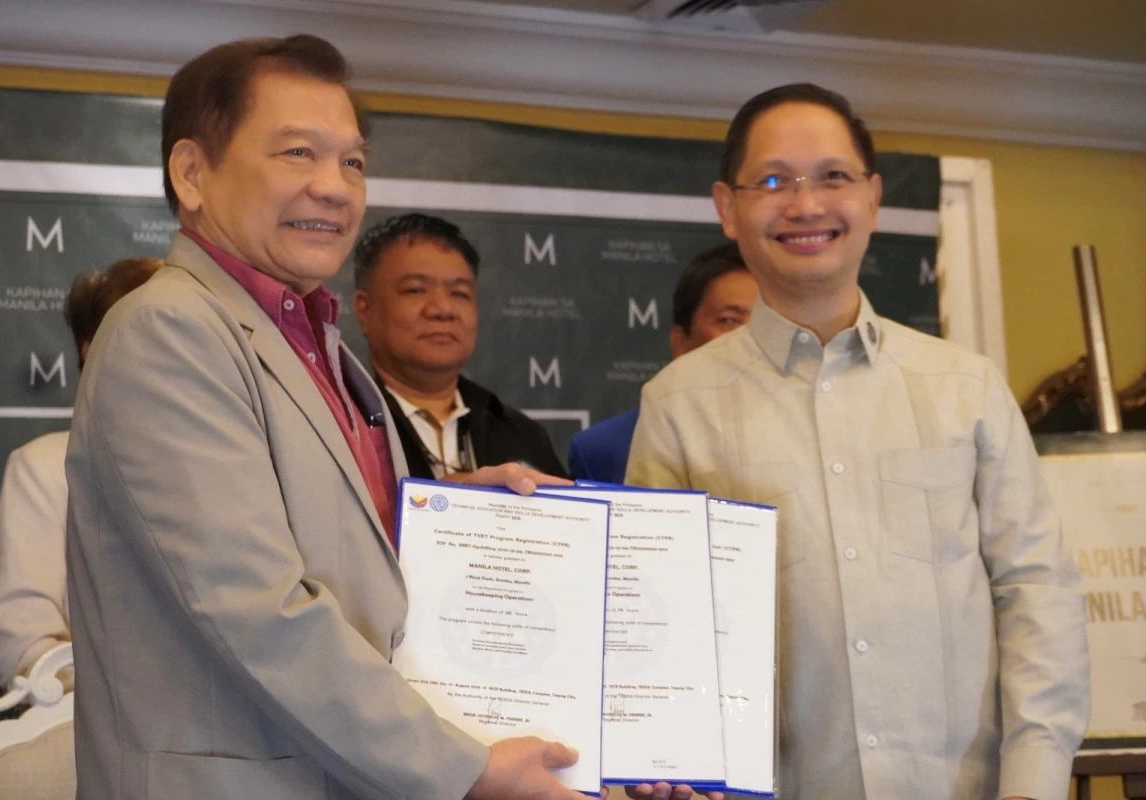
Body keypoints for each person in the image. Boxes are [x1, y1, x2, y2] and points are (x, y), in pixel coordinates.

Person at [64, 35, 583, 800]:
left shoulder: (313, 340)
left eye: (353, 161)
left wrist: (461, 517)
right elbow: (254, 608)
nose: (335, 187)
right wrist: (465, 768)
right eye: (298, 153)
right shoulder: (166, 329)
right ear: (192, 173)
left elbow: (335, 542)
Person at [626, 83, 1090, 800]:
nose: (807, 205)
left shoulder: (964, 386)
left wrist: (1033, 781)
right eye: (774, 180)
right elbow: (655, 618)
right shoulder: (676, 405)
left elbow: (1035, 592)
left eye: (833, 177)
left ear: (872, 198)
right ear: (728, 207)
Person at [0, 255, 160, 690]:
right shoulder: (44, 468)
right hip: (102, 744)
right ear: (91, 347)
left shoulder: (234, 468)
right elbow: (22, 646)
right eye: (153, 333)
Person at [353, 212, 567, 480]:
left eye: (459, 293)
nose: (443, 309)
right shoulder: (343, 425)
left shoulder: (520, 434)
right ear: (364, 310)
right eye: (416, 290)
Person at [567, 242, 757, 484]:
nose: (749, 337)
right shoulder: (605, 448)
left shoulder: (808, 424)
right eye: (729, 320)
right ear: (680, 342)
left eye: (766, 323)